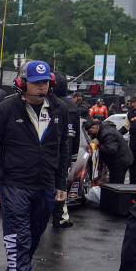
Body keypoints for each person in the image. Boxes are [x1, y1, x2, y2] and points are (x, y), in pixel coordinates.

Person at [0, 60, 69, 271]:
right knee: (19, 240)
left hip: (45, 185)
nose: (42, 88)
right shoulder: (6, 109)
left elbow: (63, 148)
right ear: (23, 83)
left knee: (33, 238)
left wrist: (61, 184)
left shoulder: (59, 110)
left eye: (46, 83)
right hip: (14, 185)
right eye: (37, 83)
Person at [51, 75, 80, 228]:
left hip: (47, 154)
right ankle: (60, 217)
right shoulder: (73, 108)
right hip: (65, 155)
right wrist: (73, 156)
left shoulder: (46, 103)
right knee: (61, 186)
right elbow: (76, 136)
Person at [84, 117, 133, 184]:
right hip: (118, 160)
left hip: (120, 161)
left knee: (116, 184)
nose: (89, 134)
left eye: (89, 131)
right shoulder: (101, 130)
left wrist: (98, 144)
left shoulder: (107, 134)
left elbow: (111, 150)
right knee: (113, 182)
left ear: (94, 127)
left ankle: (117, 194)